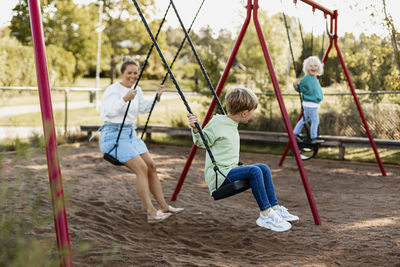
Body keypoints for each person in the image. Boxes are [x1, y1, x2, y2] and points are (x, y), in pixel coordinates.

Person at [187, 87, 298, 232]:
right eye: (252, 112)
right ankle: (265, 214)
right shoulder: (218, 123)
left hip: (230, 170)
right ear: (244, 113)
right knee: (254, 171)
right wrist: (196, 129)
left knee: (263, 168)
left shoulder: (231, 123)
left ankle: (275, 208)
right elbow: (202, 142)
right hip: (219, 176)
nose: (252, 115)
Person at [99, 56, 183, 223]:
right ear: (122, 73)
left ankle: (164, 206)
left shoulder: (137, 90)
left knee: (151, 166)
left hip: (130, 134)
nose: (132, 76)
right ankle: (150, 212)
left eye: (135, 73)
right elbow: (107, 112)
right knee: (141, 168)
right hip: (113, 135)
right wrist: (124, 99)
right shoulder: (113, 90)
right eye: (129, 73)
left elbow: (143, 108)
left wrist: (157, 97)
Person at [293, 56, 324, 143]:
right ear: (306, 68)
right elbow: (299, 88)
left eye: (315, 65)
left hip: (311, 104)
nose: (313, 68)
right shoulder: (307, 78)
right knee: (315, 121)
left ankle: (295, 133)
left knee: (304, 119)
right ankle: (313, 137)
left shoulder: (314, 77)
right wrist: (295, 84)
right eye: (311, 66)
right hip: (310, 104)